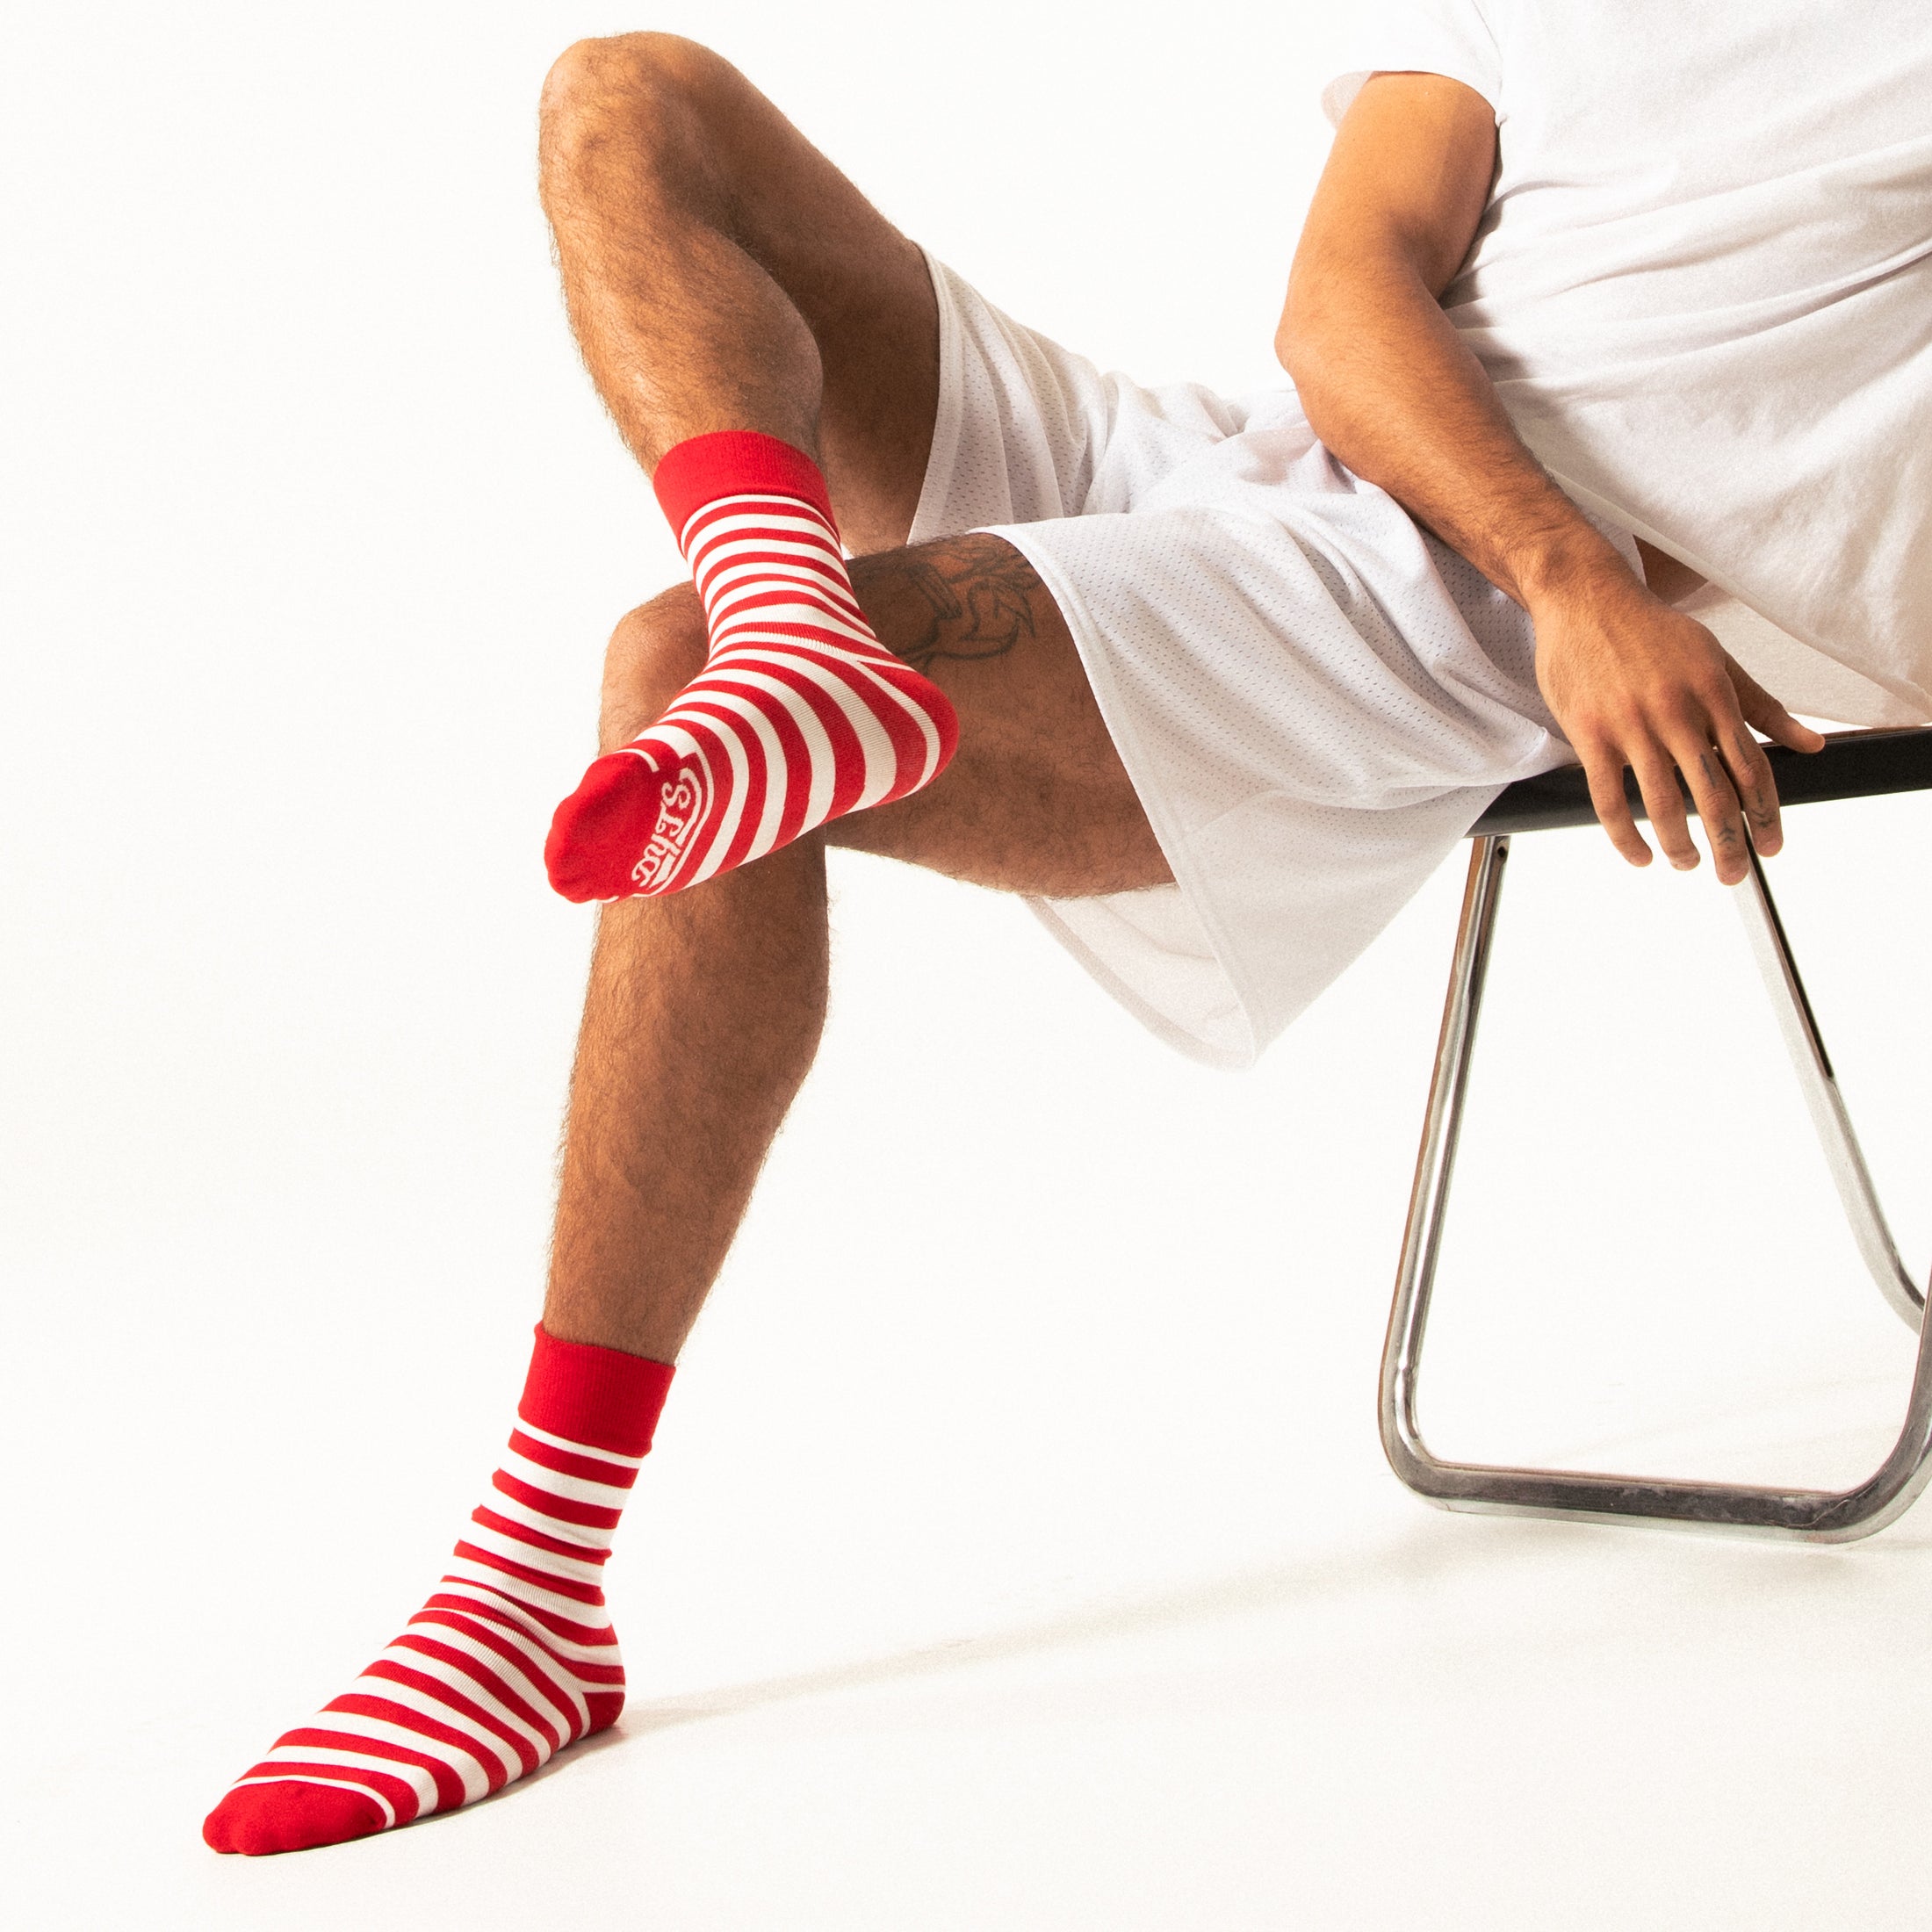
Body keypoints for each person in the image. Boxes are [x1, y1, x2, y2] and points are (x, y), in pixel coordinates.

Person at [201, 4, 1928, 1854]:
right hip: (1232, 465)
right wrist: (1569, 564)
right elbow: (1341, 304)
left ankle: (526, 1590)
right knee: (628, 97)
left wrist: (1590, 590)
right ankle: (803, 636)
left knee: (667, 668)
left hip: (1392, 623)